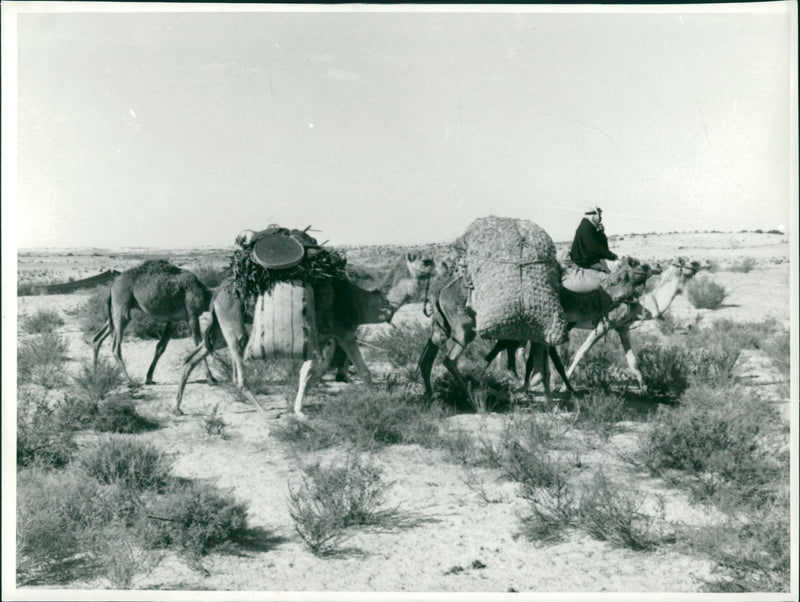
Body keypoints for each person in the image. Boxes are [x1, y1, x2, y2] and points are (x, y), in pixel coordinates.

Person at [561, 206, 618, 293]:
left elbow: (602, 247)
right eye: (599, 215)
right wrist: (612, 256)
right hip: (585, 261)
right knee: (610, 280)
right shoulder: (587, 227)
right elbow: (595, 248)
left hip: (588, 260)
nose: (600, 218)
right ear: (594, 215)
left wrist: (601, 233)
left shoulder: (588, 226)